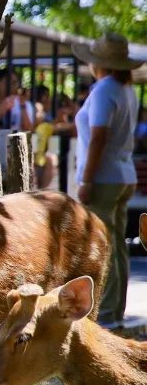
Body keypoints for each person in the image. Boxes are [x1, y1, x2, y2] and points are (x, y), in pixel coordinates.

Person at [72, 32, 143, 326]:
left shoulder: (103, 90)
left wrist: (86, 180)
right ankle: (115, 311)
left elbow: (98, 137)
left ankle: (108, 316)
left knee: (103, 245)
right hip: (124, 173)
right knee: (118, 245)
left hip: (104, 177)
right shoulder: (127, 90)